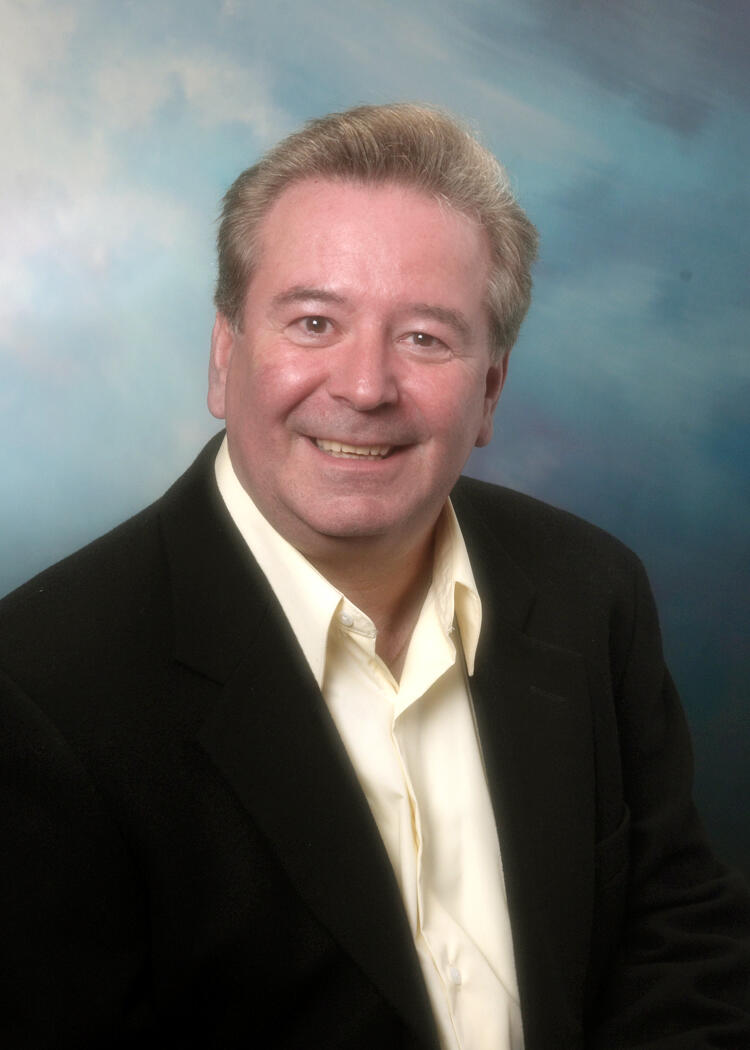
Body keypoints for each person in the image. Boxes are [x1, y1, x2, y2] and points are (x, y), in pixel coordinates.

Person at [0, 103, 748, 1050]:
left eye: (425, 338)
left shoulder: (592, 591)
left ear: (490, 390)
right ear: (225, 355)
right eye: (314, 322)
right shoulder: (39, 691)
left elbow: (677, 941)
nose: (364, 387)